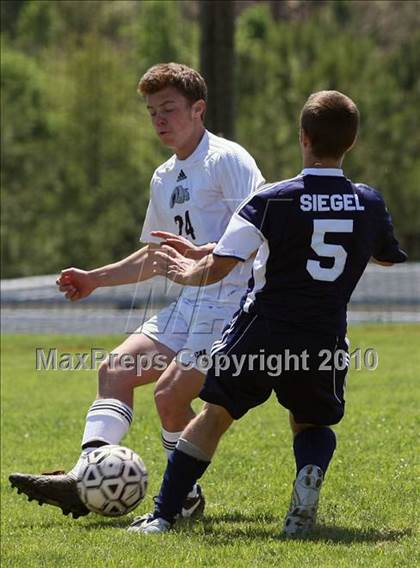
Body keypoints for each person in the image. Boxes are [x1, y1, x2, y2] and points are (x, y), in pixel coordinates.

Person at [127, 90, 407, 535]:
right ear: (350, 142)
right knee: (310, 421)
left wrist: (185, 271)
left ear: (303, 138)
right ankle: (306, 484)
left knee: (214, 416)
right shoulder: (368, 202)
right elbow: (390, 257)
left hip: (263, 329)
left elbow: (220, 265)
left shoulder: (271, 199)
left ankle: (162, 516)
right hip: (325, 336)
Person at [9, 63, 265, 519]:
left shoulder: (228, 159)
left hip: (234, 306)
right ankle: (86, 477)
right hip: (190, 302)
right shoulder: (164, 177)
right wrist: (94, 278)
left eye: (168, 108)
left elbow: (258, 233)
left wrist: (203, 256)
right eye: (151, 112)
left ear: (198, 108)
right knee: (116, 370)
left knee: (168, 398)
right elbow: (154, 255)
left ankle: (179, 499)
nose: (159, 120)